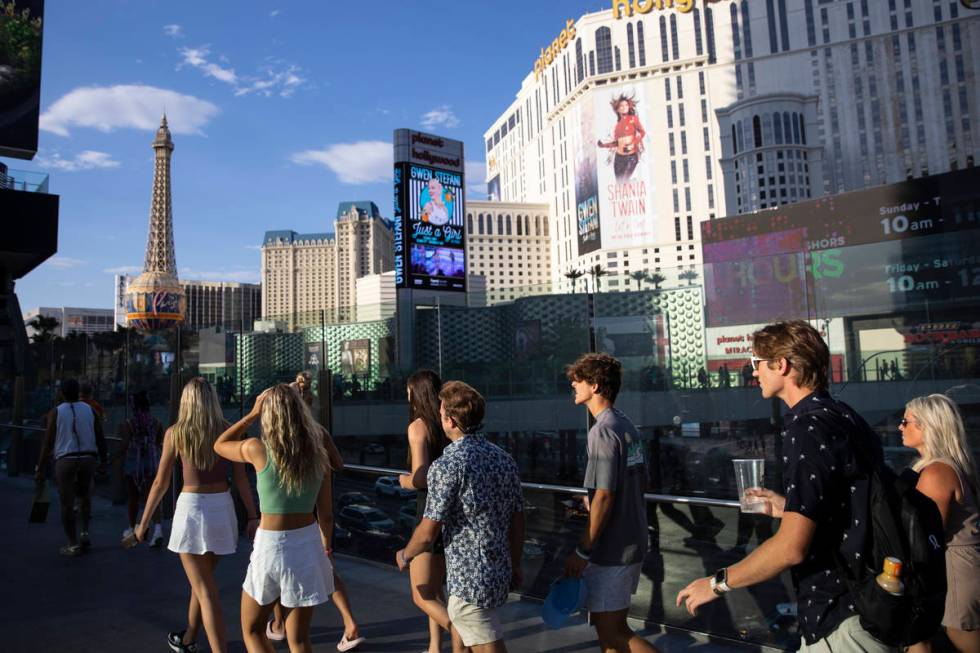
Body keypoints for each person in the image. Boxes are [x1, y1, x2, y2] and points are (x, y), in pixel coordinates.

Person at [676, 321, 895, 652]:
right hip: (868, 601)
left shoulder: (807, 428)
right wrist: (787, 506)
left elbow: (791, 548)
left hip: (839, 618)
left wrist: (717, 583)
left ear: (782, 364)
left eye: (756, 363)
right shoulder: (843, 415)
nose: (754, 373)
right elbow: (849, 503)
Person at [396, 381, 524, 653]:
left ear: (451, 420)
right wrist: (514, 564)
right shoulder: (504, 459)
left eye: (442, 413)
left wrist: (406, 554)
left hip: (469, 580)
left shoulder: (447, 465)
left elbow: (429, 531)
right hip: (498, 570)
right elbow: (517, 520)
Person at [133, 378, 259, 653]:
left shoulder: (176, 433)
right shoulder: (227, 430)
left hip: (192, 510)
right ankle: (189, 637)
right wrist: (252, 515)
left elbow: (160, 483)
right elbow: (240, 478)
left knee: (205, 589)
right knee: (203, 582)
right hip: (222, 508)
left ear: (185, 402)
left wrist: (143, 522)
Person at [215, 384, 335, 653]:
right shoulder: (318, 455)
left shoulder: (258, 450)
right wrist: (325, 547)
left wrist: (252, 414)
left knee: (253, 629)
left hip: (271, 546)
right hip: (307, 543)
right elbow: (326, 515)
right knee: (300, 639)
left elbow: (219, 444)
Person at [563, 354, 658, 653]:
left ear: (595, 385)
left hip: (612, 550)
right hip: (633, 540)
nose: (573, 386)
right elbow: (639, 482)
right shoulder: (626, 425)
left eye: (578, 380)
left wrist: (582, 549)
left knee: (613, 631)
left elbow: (604, 495)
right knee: (609, 638)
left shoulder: (601, 431)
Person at [266, 374, 363, 650]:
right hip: (311, 519)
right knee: (328, 571)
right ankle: (349, 623)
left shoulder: (276, 437)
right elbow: (339, 463)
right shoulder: (318, 433)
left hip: (281, 520)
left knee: (272, 573)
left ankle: (278, 623)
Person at [901, 395, 980, 653]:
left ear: (928, 426)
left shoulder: (936, 473)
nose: (900, 427)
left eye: (906, 421)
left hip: (956, 570)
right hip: (961, 565)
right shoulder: (945, 467)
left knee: (965, 639)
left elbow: (925, 535)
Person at [398, 370, 451, 653]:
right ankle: (434, 647)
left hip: (428, 511)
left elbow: (422, 476)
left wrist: (405, 480)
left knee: (421, 594)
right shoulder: (445, 425)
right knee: (436, 589)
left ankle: (460, 634)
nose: (406, 396)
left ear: (416, 393)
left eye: (408, 391)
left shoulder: (418, 426)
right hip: (450, 513)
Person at [34, 378, 108, 556]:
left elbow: (47, 443)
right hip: (88, 459)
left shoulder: (56, 412)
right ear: (78, 392)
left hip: (65, 460)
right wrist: (104, 460)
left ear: (61, 393)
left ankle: (72, 544)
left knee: (67, 503)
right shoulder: (90, 409)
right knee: (84, 497)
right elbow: (100, 436)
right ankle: (85, 532)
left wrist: (40, 468)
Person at [119, 390, 165, 547]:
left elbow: (125, 444)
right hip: (152, 462)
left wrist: (112, 459)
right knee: (153, 498)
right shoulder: (157, 422)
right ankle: (157, 530)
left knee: (133, 498)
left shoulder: (129, 424)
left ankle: (132, 529)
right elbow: (158, 443)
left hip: (134, 463)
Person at [597, 93, 646, 183]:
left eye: (626, 105)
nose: (624, 107)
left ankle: (632, 183)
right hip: (619, 158)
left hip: (631, 156)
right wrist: (604, 145)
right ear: (618, 109)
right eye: (621, 106)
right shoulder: (617, 125)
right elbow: (616, 143)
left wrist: (633, 144)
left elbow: (642, 132)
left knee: (624, 181)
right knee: (619, 184)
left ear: (629, 107)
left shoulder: (633, 119)